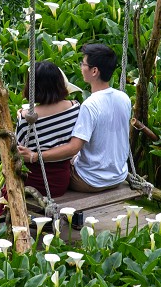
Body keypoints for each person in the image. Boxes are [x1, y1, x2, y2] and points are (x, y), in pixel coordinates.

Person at [19, 43, 131, 192]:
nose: (81, 67)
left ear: (94, 71)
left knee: (59, 169)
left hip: (90, 181)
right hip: (118, 176)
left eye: (83, 63)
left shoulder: (89, 106)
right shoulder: (124, 98)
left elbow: (73, 148)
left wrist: (34, 156)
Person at [0, 61, 82, 220]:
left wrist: (21, 117)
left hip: (35, 183)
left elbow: (17, 150)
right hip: (60, 182)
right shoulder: (75, 107)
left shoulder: (27, 118)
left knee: (7, 183)